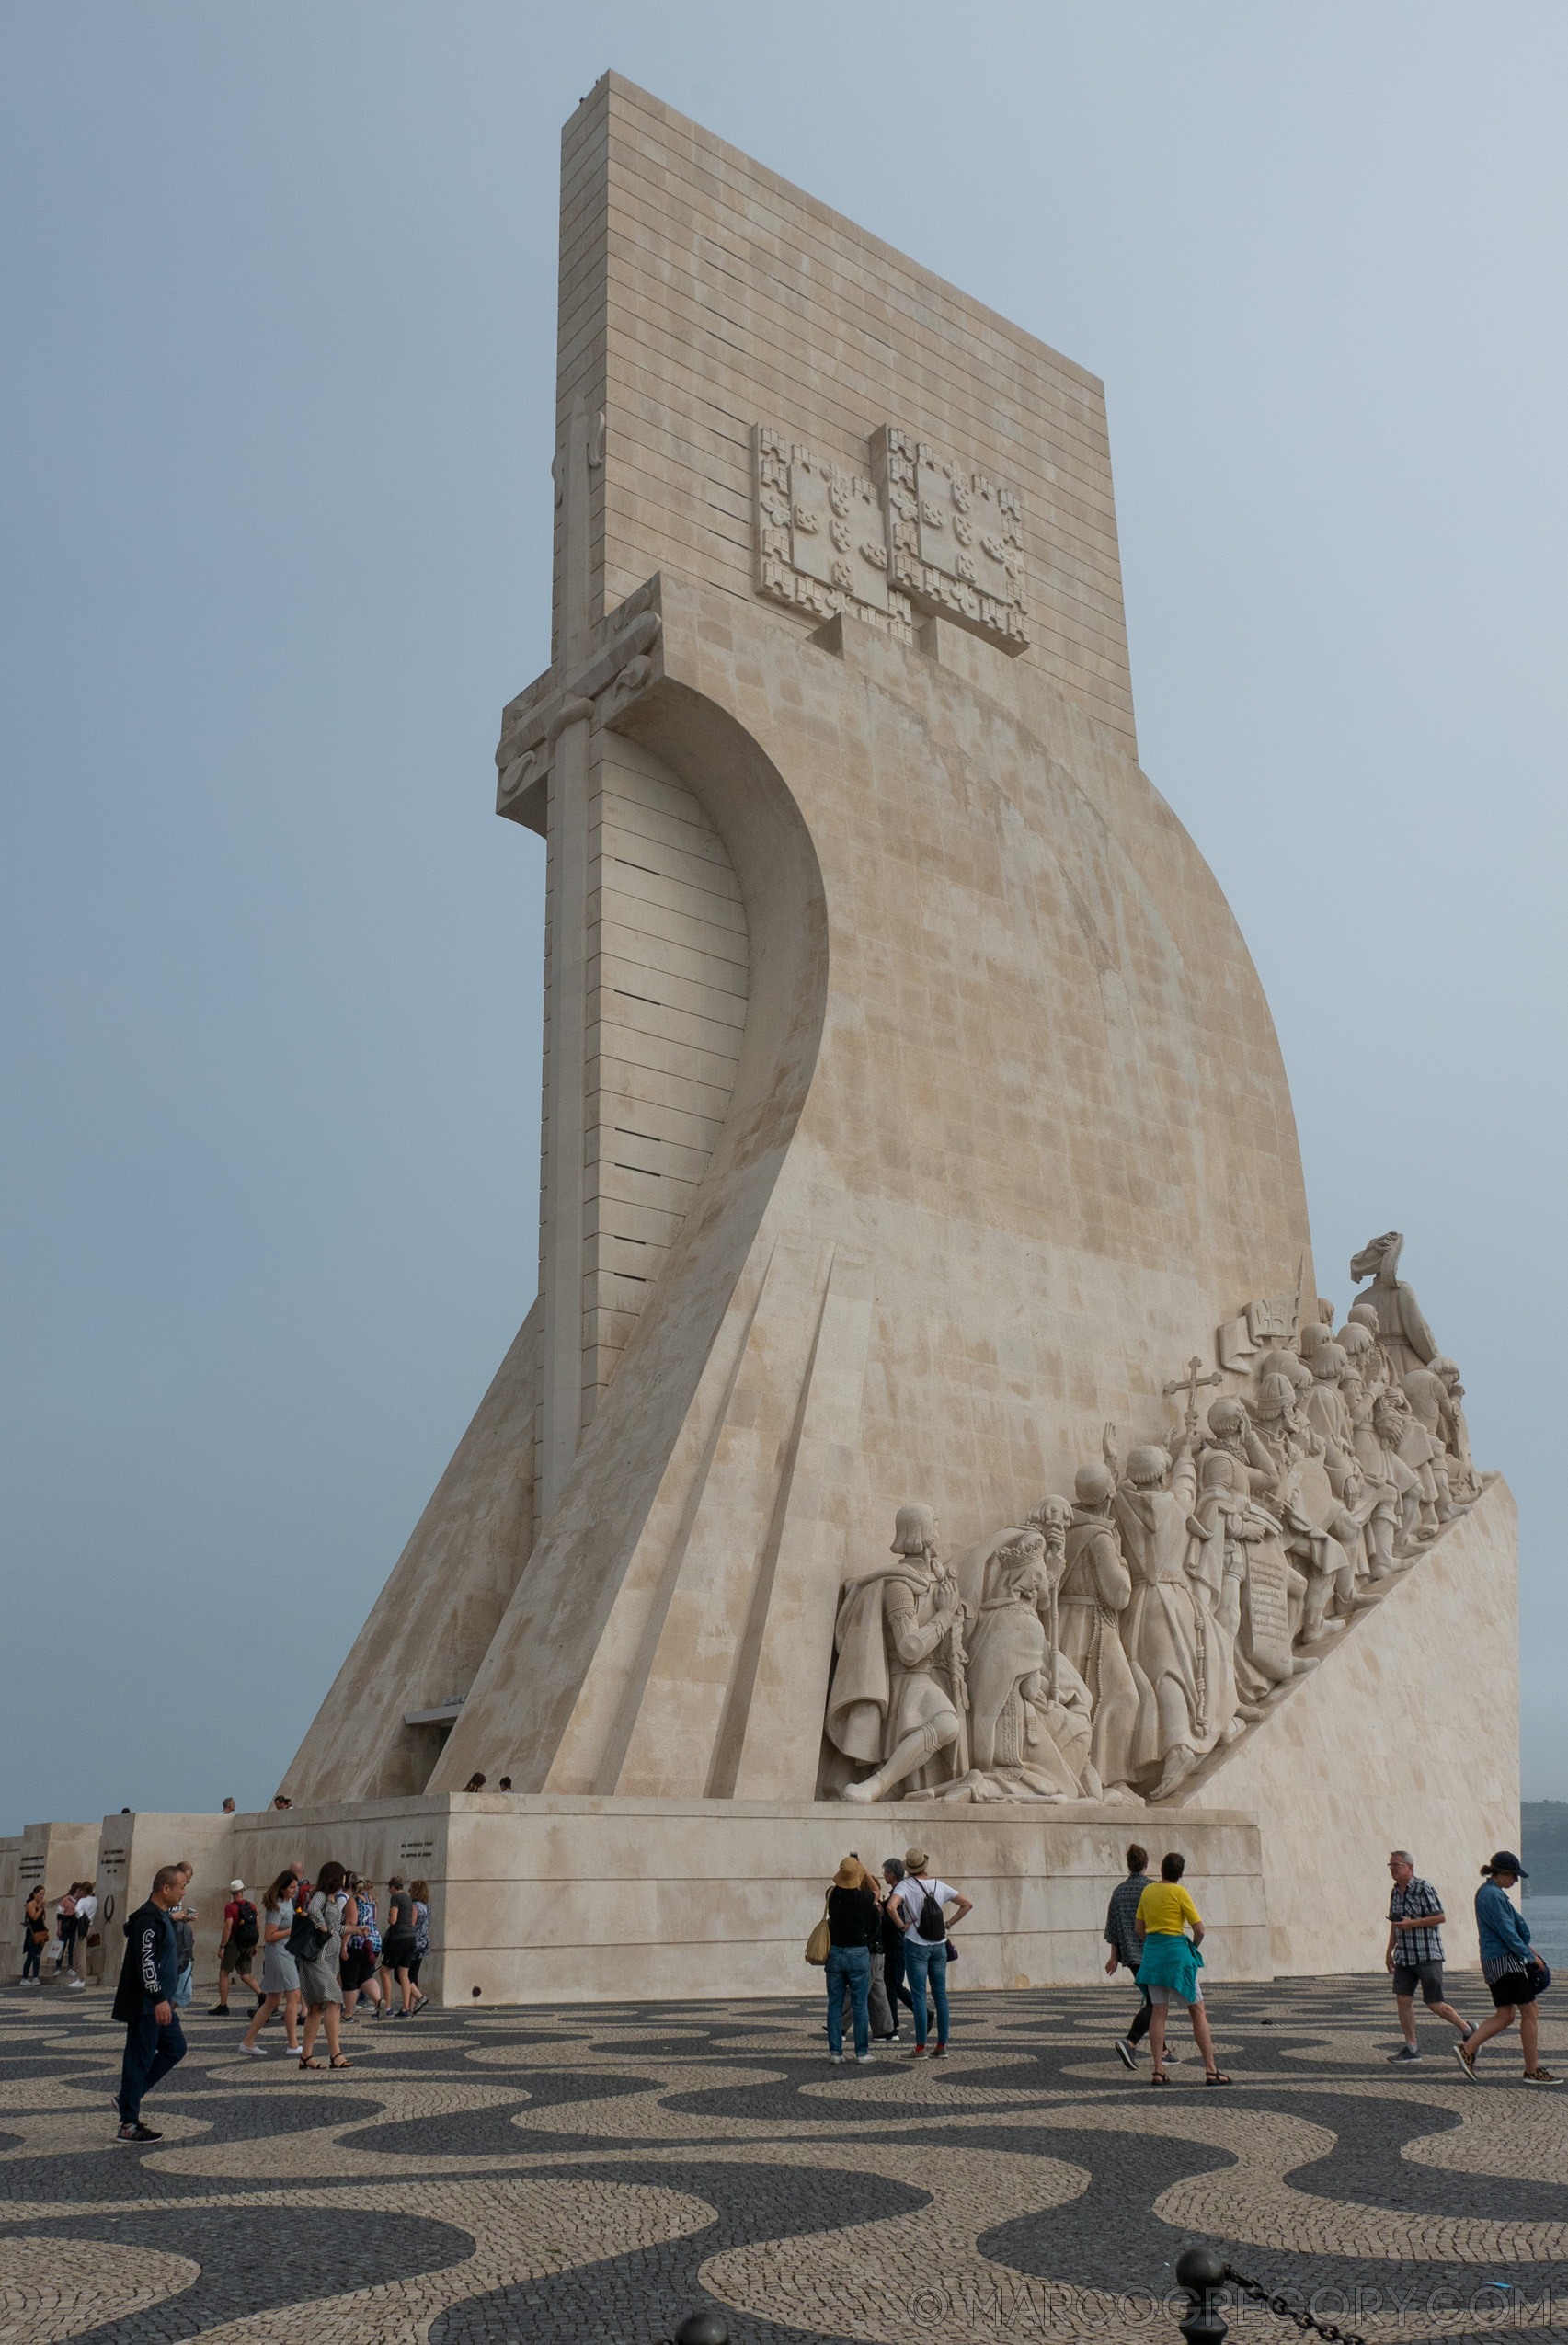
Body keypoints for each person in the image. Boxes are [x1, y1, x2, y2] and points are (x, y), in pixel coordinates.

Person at [1455, 1852, 1561, 2085]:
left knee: (1505, 2015)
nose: (1515, 1881)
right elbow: (1507, 1932)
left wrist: (1527, 1949)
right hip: (1505, 1962)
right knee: (1530, 2011)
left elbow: (1507, 1930)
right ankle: (1531, 2071)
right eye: (1513, 1876)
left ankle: (1468, 2049)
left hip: (1494, 1961)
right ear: (1501, 1874)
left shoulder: (1490, 1893)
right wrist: (1529, 1956)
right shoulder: (1492, 1895)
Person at [1135, 1852, 1230, 2087]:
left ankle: (1158, 2071)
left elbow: (1139, 1927)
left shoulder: (1148, 1891)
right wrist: (1192, 1948)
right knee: (1197, 2010)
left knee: (1158, 2012)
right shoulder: (1179, 1892)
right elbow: (1199, 1930)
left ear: (1162, 1869)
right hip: (1177, 1958)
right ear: (1181, 1874)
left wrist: (1153, 1942)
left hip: (1154, 1958)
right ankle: (1210, 2070)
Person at [112, 1864, 187, 2141]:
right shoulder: (147, 1920)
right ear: (165, 1889)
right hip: (148, 2006)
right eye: (181, 1886)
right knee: (138, 2060)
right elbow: (146, 1963)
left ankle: (128, 2098)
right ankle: (128, 2124)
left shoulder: (160, 1916)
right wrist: (157, 1999)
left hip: (159, 2003)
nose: (183, 1891)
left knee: (176, 2047)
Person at [1384, 1850, 1473, 2060]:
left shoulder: (1424, 1888)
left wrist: (1412, 1924)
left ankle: (1468, 2030)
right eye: (1390, 1865)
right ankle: (1412, 2047)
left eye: (1396, 1864)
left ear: (1410, 1867)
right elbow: (1395, 1924)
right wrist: (1389, 1952)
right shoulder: (1395, 1891)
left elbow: (1440, 1917)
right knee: (1403, 2001)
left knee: (1435, 2004)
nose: (1393, 1869)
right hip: (1405, 1957)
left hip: (1427, 1955)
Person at [888, 1847, 970, 2057]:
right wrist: (948, 1924)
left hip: (915, 1945)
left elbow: (890, 1907)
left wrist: (901, 1925)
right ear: (924, 1865)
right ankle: (942, 2046)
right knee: (940, 1995)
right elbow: (966, 1904)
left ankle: (920, 2047)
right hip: (939, 1945)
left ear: (908, 1868)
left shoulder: (905, 1885)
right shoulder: (939, 1885)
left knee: (918, 1996)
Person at [1104, 1843, 1174, 2067]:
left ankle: (1163, 2051)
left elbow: (1112, 1928)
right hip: (1153, 1953)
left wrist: (1114, 1957)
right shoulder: (1152, 1889)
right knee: (1157, 2003)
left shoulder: (1118, 1891)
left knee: (1154, 2000)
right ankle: (1130, 2042)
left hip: (1131, 1956)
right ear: (1146, 1864)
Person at [240, 1868, 304, 2057]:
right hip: (279, 1954)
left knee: (272, 2001)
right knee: (293, 1996)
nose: (295, 1890)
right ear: (283, 1887)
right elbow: (269, 1936)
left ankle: (248, 2041)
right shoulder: (276, 1906)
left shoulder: (287, 1903)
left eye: (296, 1886)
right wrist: (292, 1930)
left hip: (285, 1953)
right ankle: (293, 2043)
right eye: (292, 1887)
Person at [295, 1859, 350, 2069]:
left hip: (329, 1959)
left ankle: (306, 2056)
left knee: (317, 2007)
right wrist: (322, 1928)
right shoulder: (319, 1896)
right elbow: (313, 1911)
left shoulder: (334, 1899)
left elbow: (337, 1928)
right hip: (317, 1957)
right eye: (343, 1874)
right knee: (335, 2000)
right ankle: (336, 2054)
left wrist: (356, 1930)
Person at [823, 1856, 879, 2064]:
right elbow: (878, 1892)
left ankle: (836, 2052)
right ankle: (862, 2052)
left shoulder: (831, 1895)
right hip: (857, 1952)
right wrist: (864, 1871)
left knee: (834, 2005)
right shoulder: (864, 1898)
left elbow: (835, 1888)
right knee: (860, 2004)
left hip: (836, 1953)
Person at [210, 1881, 262, 2014]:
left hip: (234, 1943)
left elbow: (228, 1927)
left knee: (224, 1973)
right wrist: (254, 1945)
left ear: (232, 1893)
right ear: (242, 1891)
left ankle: (223, 2005)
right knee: (245, 1975)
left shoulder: (230, 1908)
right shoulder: (252, 1906)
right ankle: (262, 1995)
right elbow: (257, 1927)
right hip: (248, 1944)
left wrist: (222, 1946)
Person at [340, 1875, 383, 2019]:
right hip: (374, 1942)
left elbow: (351, 1922)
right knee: (366, 1976)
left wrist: (344, 1944)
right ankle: (379, 2001)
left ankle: (348, 2014)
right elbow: (373, 1921)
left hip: (357, 1942)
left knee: (350, 1979)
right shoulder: (372, 1901)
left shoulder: (354, 1900)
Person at [381, 1875, 420, 2016]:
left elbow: (393, 1920)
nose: (389, 1891)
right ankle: (405, 2009)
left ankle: (388, 2007)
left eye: (389, 1889)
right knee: (404, 1974)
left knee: (384, 1971)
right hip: (411, 1938)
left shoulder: (395, 1898)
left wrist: (388, 1918)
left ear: (393, 1887)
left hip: (398, 1938)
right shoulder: (409, 1900)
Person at [68, 1881, 97, 1988]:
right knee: (78, 1949)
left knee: (81, 1953)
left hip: (83, 1927)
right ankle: (75, 1970)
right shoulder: (94, 1900)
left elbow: (77, 1912)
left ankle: (81, 1979)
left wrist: (81, 1919)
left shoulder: (82, 1901)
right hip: (91, 1926)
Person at [408, 1879, 431, 2008]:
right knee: (413, 1974)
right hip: (424, 1943)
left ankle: (418, 1998)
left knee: (403, 1975)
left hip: (413, 1943)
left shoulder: (415, 1906)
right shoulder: (427, 1907)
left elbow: (411, 1924)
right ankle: (411, 2006)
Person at [20, 1887, 47, 1984]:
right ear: (35, 1894)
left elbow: (43, 1918)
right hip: (32, 1933)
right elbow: (34, 1917)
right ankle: (25, 1977)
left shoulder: (41, 1905)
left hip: (40, 1932)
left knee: (37, 1956)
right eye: (40, 1894)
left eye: (43, 1894)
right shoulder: (30, 1904)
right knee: (30, 1956)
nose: (42, 1896)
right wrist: (40, 1908)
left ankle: (36, 1976)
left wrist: (42, 1908)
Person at [53, 1884, 80, 1979]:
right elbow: (59, 1915)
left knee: (72, 1948)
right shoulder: (65, 1900)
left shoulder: (79, 1901)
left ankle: (70, 1967)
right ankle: (58, 1967)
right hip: (65, 1927)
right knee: (61, 1947)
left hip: (73, 1928)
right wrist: (59, 1928)